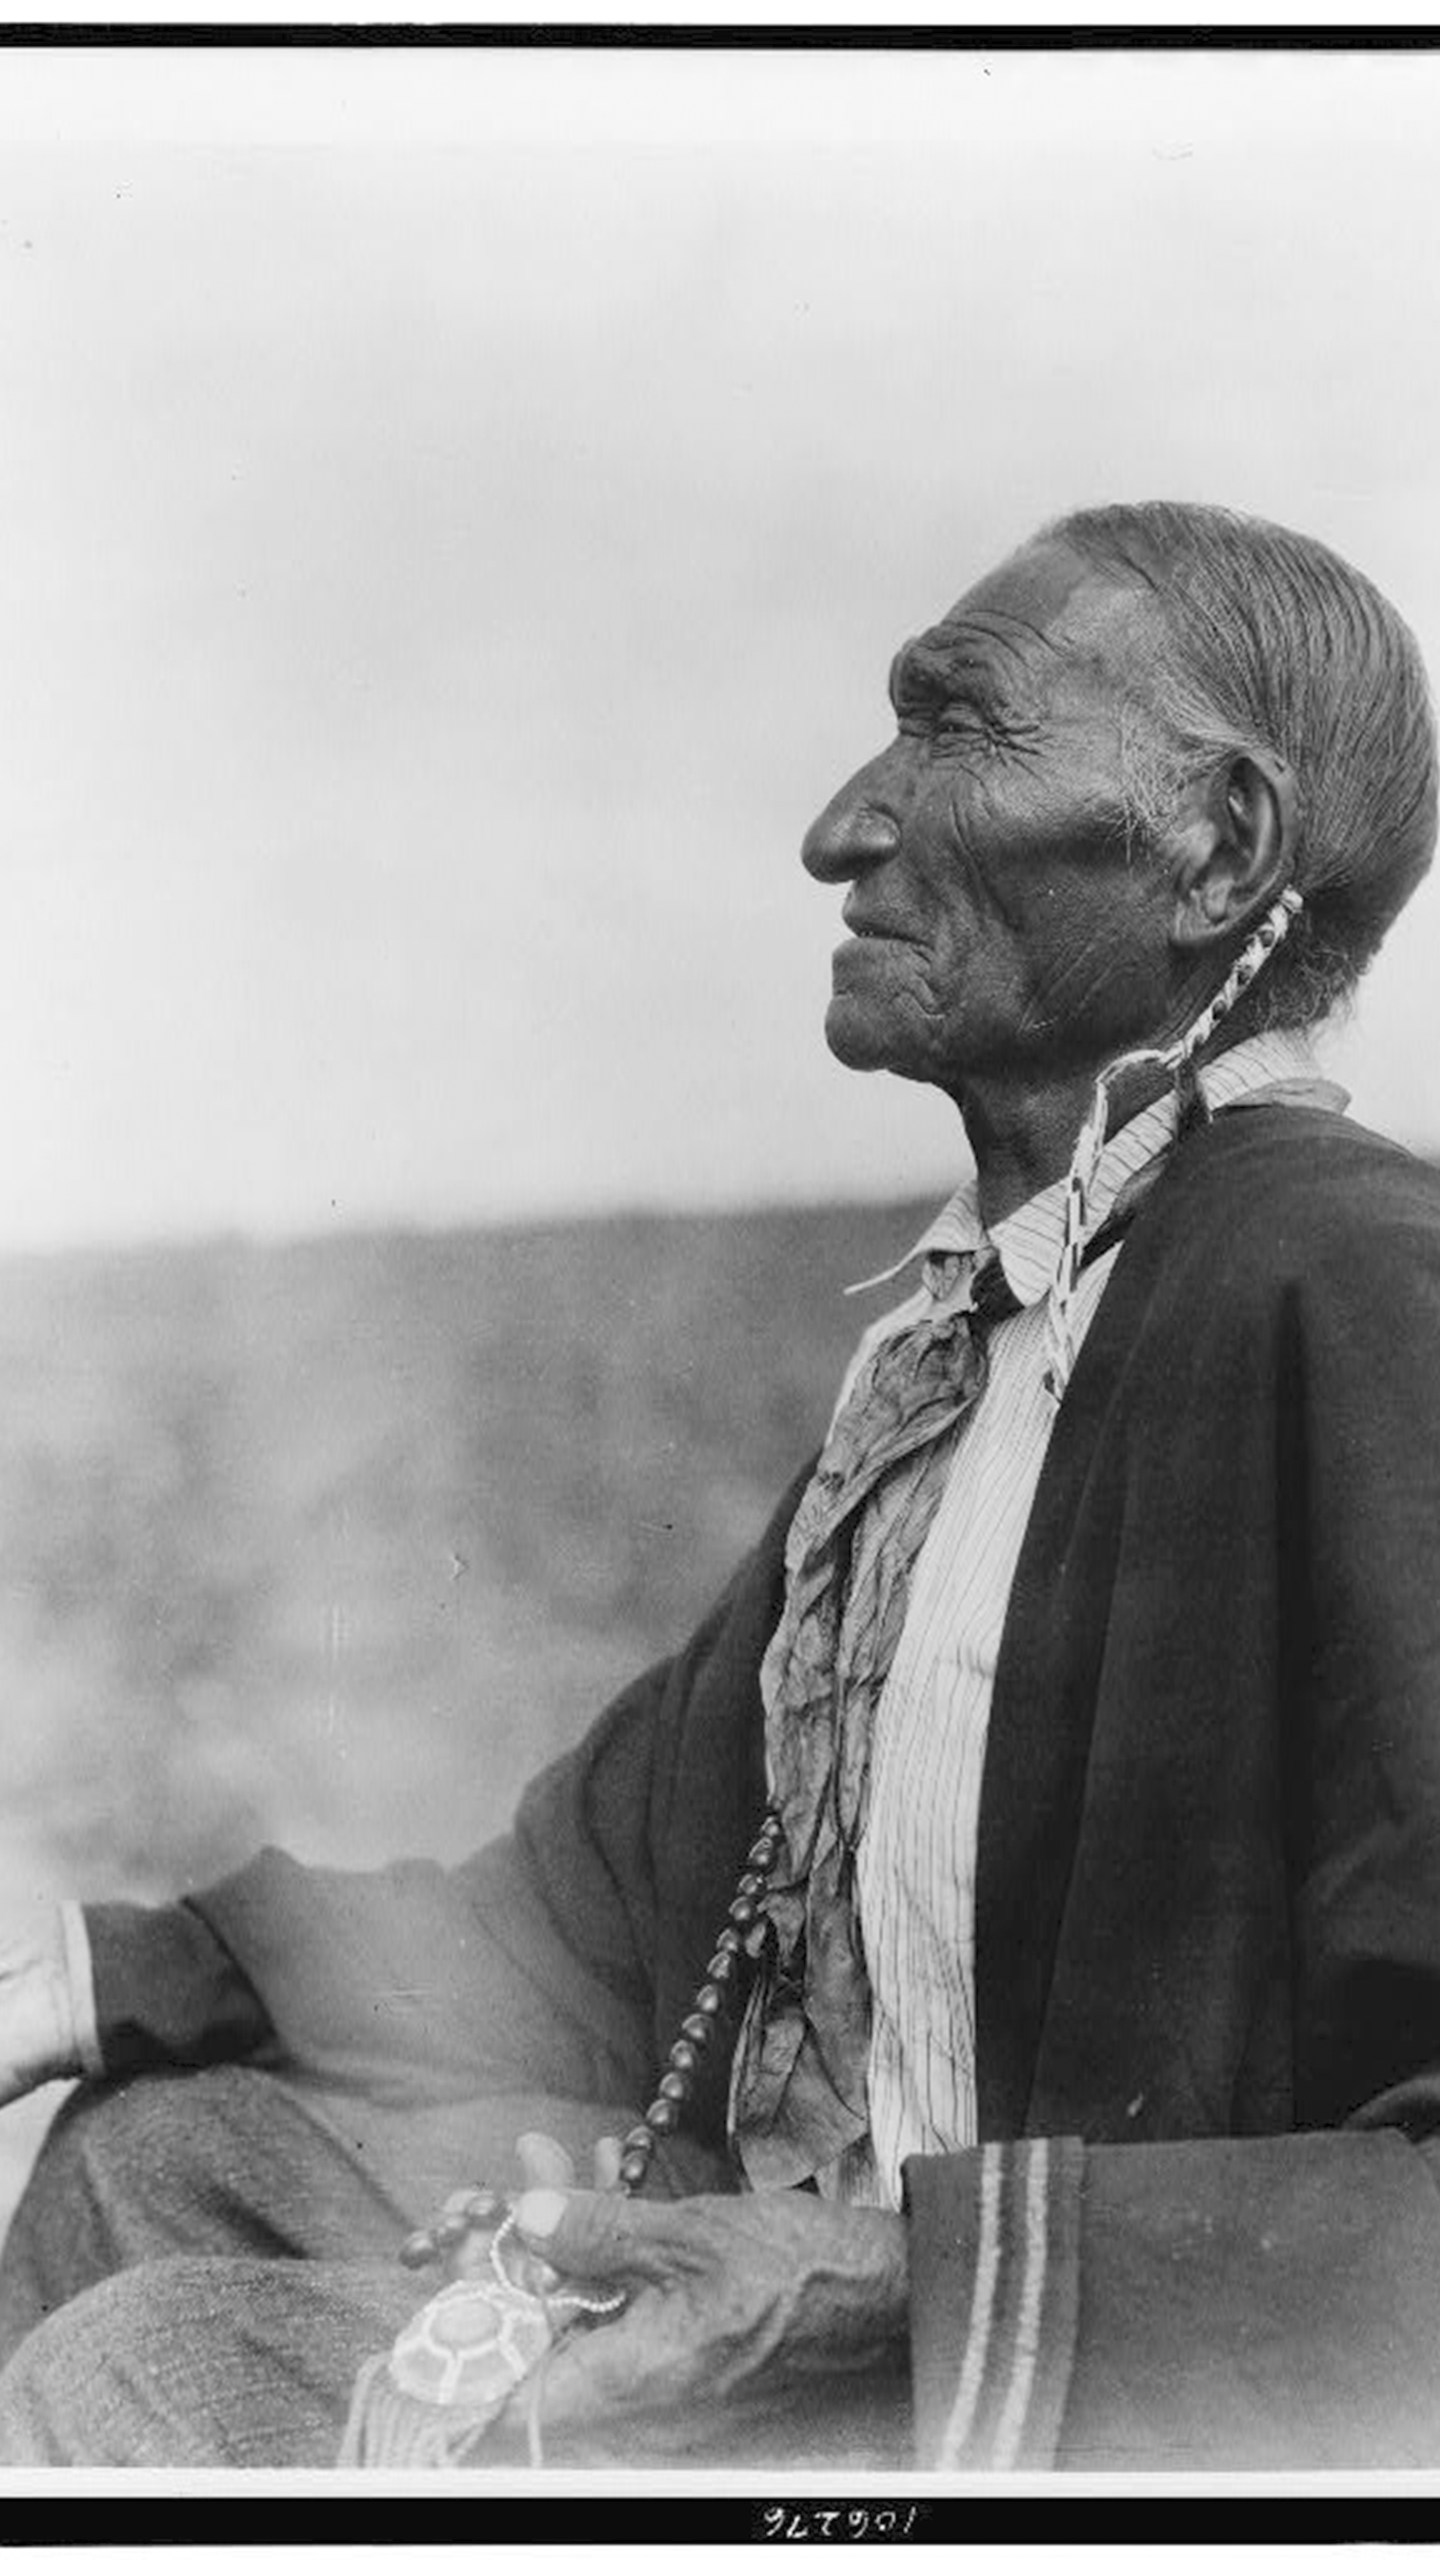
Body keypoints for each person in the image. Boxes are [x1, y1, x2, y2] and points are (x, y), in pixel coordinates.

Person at [0, 499, 1439, 2471]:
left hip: (1093, 2418)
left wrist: (874, 2288)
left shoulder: (1354, 1292)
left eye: (962, 727)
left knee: (144, 2372)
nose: (845, 827)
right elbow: (593, 1922)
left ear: (1220, 845)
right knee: (158, 2164)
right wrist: (97, 1971)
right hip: (850, 2312)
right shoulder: (968, 1345)